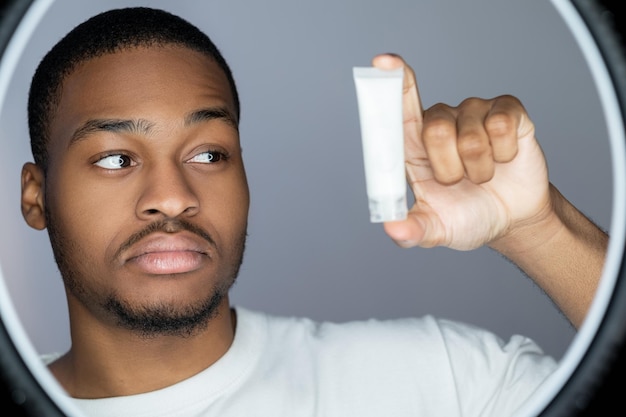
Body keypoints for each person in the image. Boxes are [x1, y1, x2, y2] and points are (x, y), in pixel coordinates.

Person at [19, 6, 607, 417]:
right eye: (118, 159)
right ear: (36, 196)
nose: (173, 197)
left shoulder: (437, 383)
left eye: (208, 153)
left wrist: (541, 230)